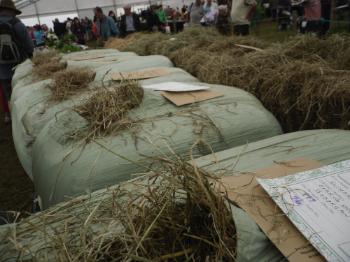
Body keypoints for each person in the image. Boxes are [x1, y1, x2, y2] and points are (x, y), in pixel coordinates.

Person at [0, 0, 34, 122]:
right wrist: (30, 54)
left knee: (8, 93)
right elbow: (28, 45)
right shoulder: (17, 24)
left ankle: (9, 116)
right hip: (20, 67)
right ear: (11, 10)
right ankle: (25, 119)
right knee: (22, 92)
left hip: (2, 69)